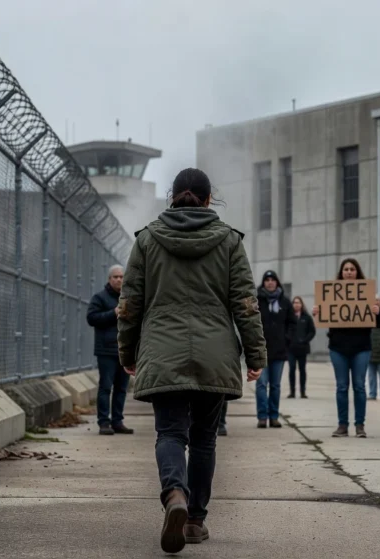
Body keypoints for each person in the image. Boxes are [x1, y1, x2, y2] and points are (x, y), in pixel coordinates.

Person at [117, 168, 266, 553]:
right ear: (208, 198)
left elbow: (129, 304)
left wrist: (126, 351)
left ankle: (175, 496)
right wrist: (255, 354)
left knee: (169, 433)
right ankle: (196, 521)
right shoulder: (229, 242)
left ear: (172, 196)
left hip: (162, 350)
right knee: (203, 440)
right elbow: (246, 305)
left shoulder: (148, 240)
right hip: (216, 353)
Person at [313, 259, 380, 438]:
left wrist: (378, 312)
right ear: (341, 272)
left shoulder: (368, 295)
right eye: (346, 269)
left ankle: (360, 425)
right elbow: (324, 319)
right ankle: (342, 425)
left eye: (352, 269)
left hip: (361, 347)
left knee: (359, 386)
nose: (349, 272)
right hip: (338, 348)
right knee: (342, 387)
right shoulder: (330, 294)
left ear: (357, 272)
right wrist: (318, 312)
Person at [86, 265, 133, 435]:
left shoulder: (128, 298)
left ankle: (117, 421)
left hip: (124, 350)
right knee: (106, 387)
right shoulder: (100, 298)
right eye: (115, 277)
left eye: (121, 276)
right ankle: (104, 422)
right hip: (106, 350)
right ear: (109, 279)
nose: (119, 279)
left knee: (121, 389)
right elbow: (91, 318)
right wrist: (113, 313)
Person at [256, 271, 295, 428]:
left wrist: (286, 339)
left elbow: (292, 323)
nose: (270, 283)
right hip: (260, 351)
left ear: (277, 283)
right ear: (263, 283)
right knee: (261, 384)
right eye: (267, 280)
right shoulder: (256, 301)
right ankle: (262, 416)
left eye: (273, 280)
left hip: (279, 351)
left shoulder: (285, 302)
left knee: (275, 386)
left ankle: (274, 416)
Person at [288, 296, 316, 399]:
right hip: (291, 348)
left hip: (303, 348)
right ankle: (292, 392)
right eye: (294, 302)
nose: (296, 304)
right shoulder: (289, 317)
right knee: (291, 369)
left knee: (302, 370)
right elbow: (284, 330)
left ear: (301, 304)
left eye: (298, 303)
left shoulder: (307, 317)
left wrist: (304, 340)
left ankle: (303, 392)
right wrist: (288, 340)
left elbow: (312, 331)